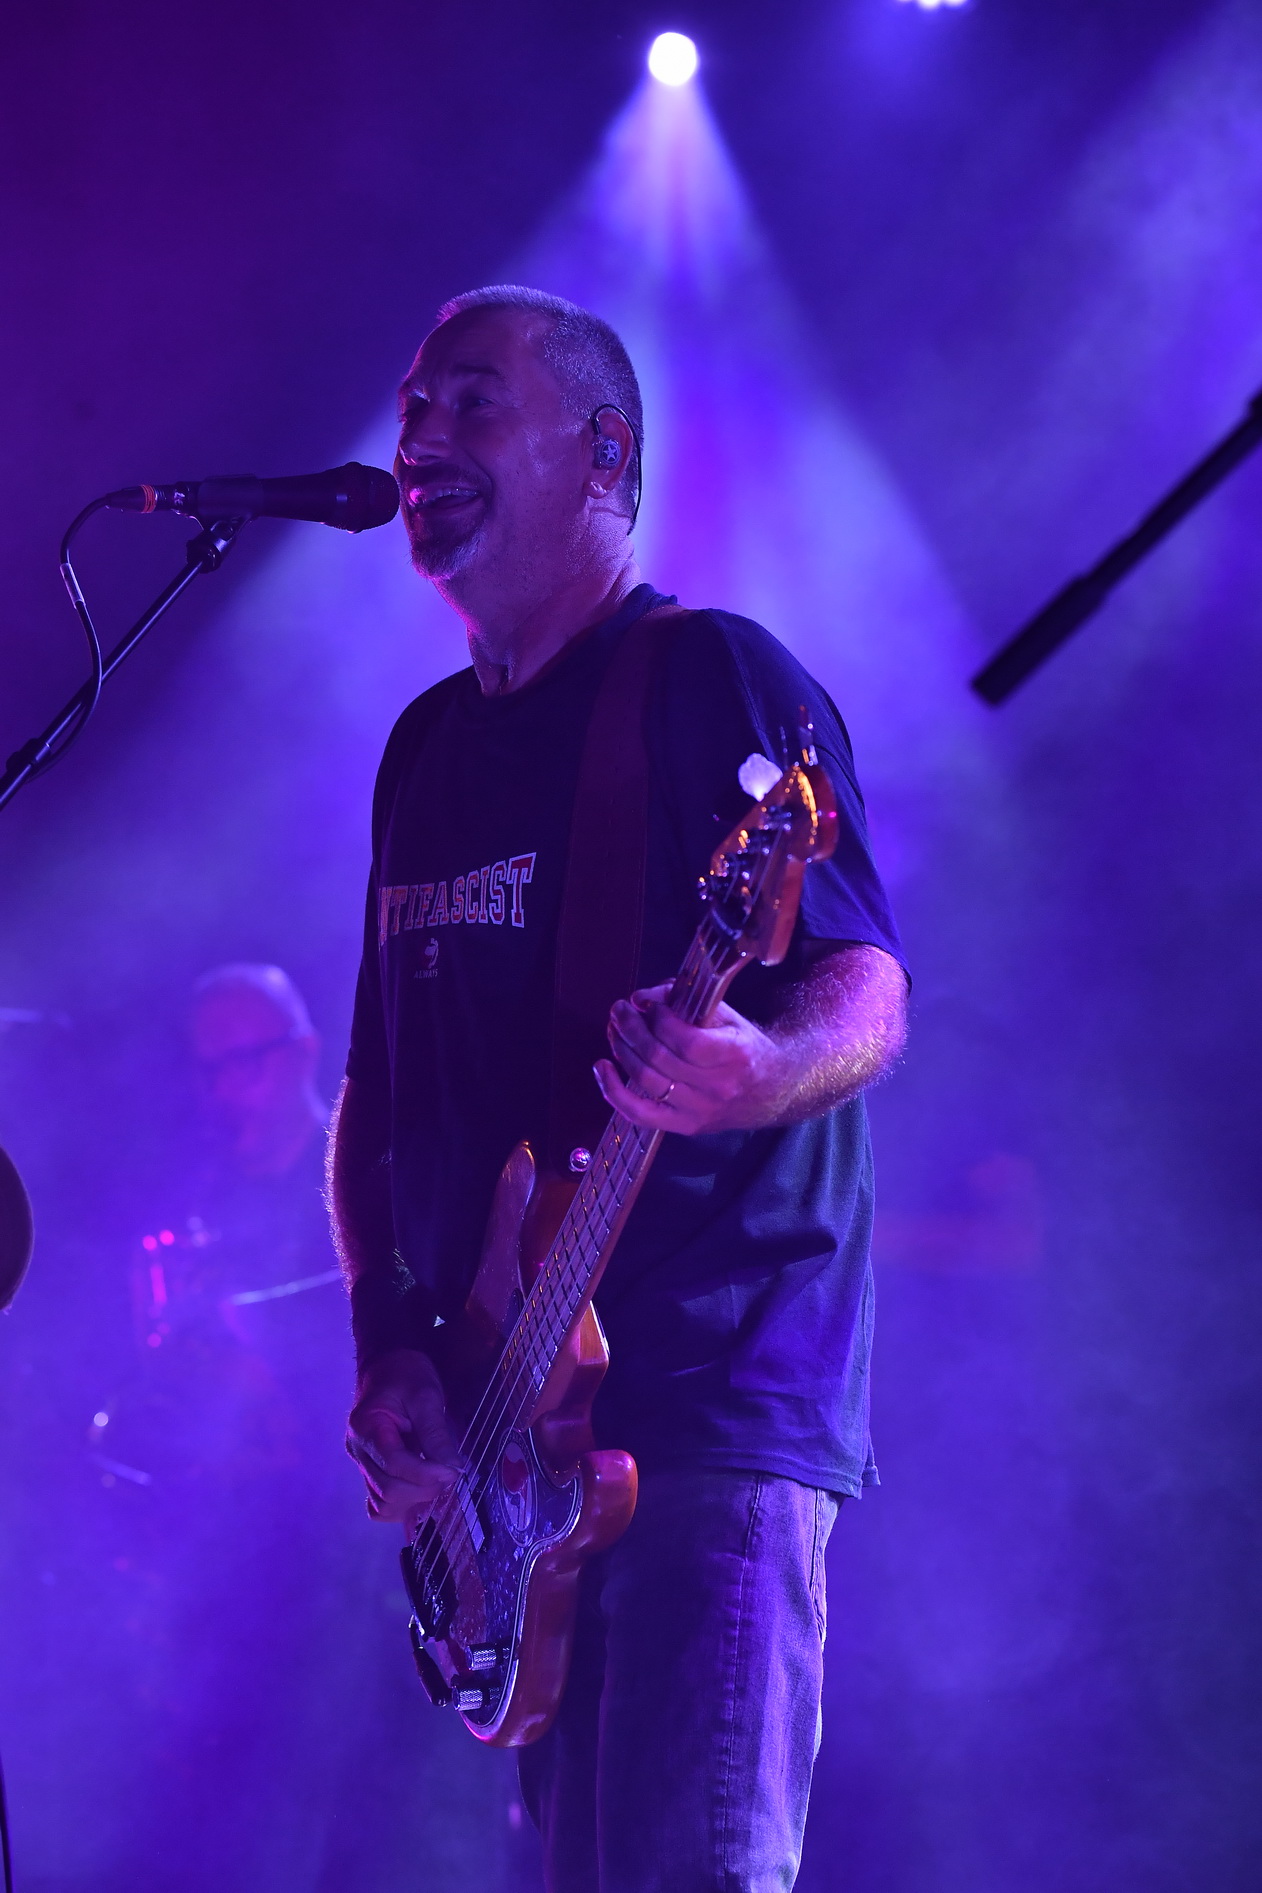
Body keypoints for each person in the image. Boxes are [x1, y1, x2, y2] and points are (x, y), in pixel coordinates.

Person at [331, 286, 909, 1893]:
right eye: (411, 406)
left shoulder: (705, 674)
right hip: (510, 1452)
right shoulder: (424, 749)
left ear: (604, 452)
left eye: (469, 399)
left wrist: (754, 1068)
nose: (419, 436)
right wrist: (394, 1343)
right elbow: (376, 1100)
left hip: (704, 1401)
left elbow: (863, 982)